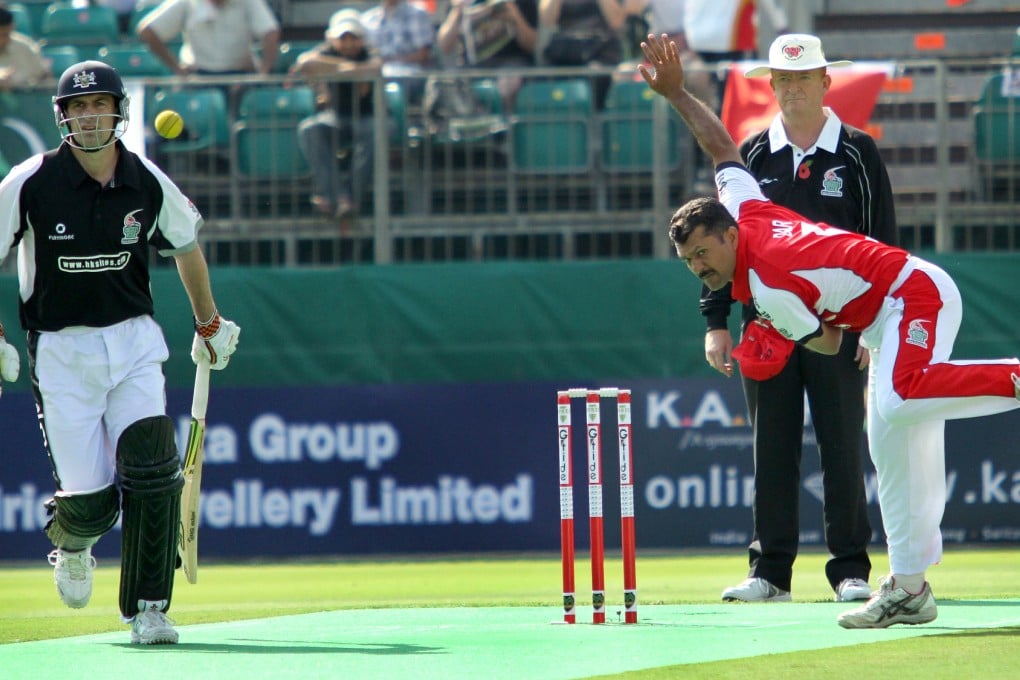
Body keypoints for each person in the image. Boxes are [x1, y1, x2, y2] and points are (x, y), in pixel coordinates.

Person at [639, 33, 1020, 628]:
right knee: (892, 436)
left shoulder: (771, 290)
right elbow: (718, 146)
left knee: (899, 398)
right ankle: (910, 586)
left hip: (912, 294)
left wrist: (771, 339)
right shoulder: (745, 205)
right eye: (690, 265)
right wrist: (678, 93)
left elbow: (827, 341)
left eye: (703, 256)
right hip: (884, 311)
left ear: (728, 235)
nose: (700, 269)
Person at [0, 60, 240, 644]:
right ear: (62, 117)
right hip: (61, 350)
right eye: (77, 108)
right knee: (91, 505)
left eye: (98, 105)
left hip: (133, 340)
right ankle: (75, 544)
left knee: (155, 474)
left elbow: (186, 246)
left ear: (118, 112)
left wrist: (208, 323)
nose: (88, 117)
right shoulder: (29, 181)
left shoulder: (145, 179)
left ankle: (149, 609)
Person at [702, 34, 897, 605]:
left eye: (803, 78)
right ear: (772, 85)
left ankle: (850, 571)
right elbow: (717, 243)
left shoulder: (858, 151)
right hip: (764, 327)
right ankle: (770, 572)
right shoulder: (753, 153)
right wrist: (716, 320)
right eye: (782, 79)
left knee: (841, 446)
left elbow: (882, 243)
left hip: (838, 330)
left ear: (824, 83)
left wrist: (873, 327)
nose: (792, 89)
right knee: (772, 449)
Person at [292, 9, 383, 224]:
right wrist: (351, 69)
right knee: (310, 129)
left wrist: (332, 69)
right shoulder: (326, 51)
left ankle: (349, 198)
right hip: (336, 117)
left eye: (354, 37)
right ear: (332, 38)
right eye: (344, 38)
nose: (349, 43)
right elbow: (305, 64)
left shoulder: (370, 52)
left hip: (368, 117)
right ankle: (339, 197)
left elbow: (375, 68)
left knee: (376, 133)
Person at [136, 0, 281, 77]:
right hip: (198, 80)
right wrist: (177, 68)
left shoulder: (249, 2)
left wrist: (263, 72)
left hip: (241, 79)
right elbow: (147, 31)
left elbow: (271, 32)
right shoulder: (186, 2)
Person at [436, 0, 538, 110]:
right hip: (472, 67)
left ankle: (505, 123)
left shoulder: (521, 3)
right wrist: (457, 12)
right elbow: (444, 47)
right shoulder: (460, 3)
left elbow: (531, 45)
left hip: (510, 63)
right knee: (444, 81)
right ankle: (475, 121)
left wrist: (515, 17)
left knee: (509, 81)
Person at [538, 0, 626, 109]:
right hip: (564, 53)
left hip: (599, 52)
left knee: (596, 77)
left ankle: (595, 122)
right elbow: (547, 20)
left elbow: (616, 21)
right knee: (542, 79)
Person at [0, 4, 50, 90]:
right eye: (3, 34)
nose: (7, 39)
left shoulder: (26, 48)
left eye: (8, 34)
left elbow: (45, 78)